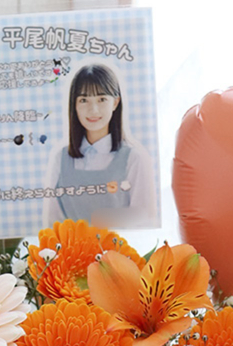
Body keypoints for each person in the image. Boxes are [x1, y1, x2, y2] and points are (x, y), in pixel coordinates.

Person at [42, 63, 156, 228]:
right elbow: (53, 221)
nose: (93, 110)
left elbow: (144, 217)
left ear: (115, 102)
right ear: (74, 105)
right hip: (72, 245)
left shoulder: (134, 158)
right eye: (83, 100)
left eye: (102, 99)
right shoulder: (61, 158)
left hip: (118, 244)